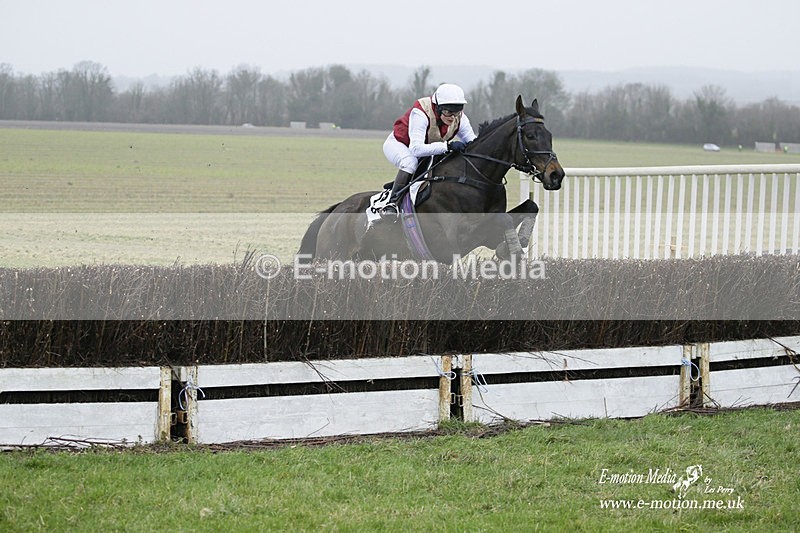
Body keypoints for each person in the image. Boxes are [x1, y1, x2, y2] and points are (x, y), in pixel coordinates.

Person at [380, 83, 477, 218]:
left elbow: (473, 142)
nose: (453, 117)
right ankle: (392, 203)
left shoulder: (460, 118)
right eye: (448, 112)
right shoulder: (421, 112)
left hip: (426, 149)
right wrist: (447, 146)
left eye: (457, 112)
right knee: (410, 163)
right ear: (438, 108)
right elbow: (416, 149)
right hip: (399, 144)